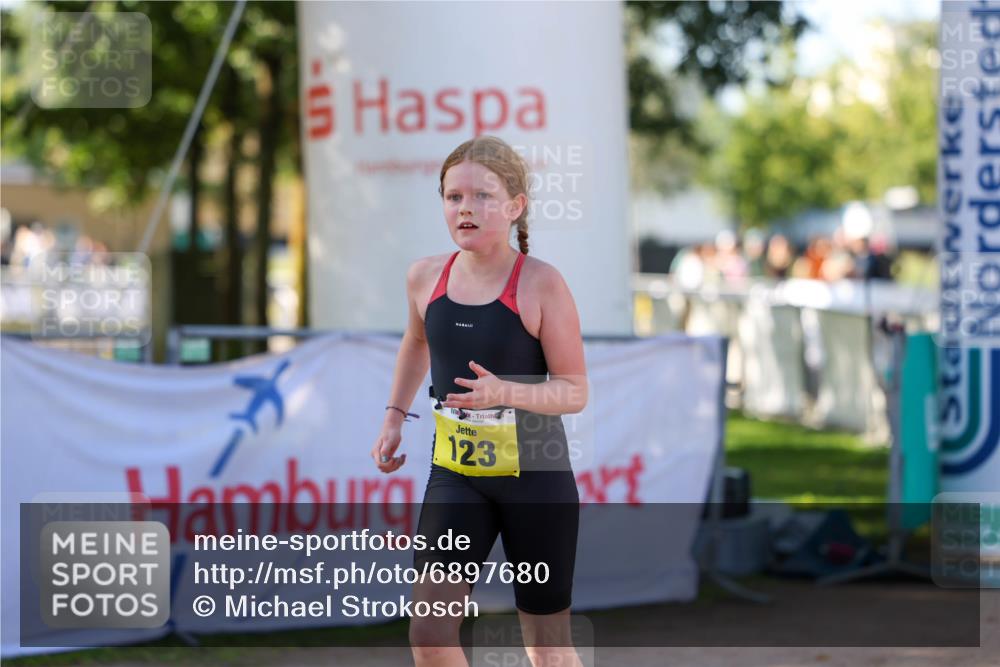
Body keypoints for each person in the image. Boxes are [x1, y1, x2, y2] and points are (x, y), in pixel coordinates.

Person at [371, 136, 588, 667]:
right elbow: (417, 341)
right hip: (456, 474)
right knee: (429, 633)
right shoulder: (424, 276)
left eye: (484, 196)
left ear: (515, 206)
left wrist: (504, 392)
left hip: (535, 476)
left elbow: (575, 390)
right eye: (453, 197)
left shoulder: (541, 283)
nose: (466, 207)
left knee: (547, 648)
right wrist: (395, 416)